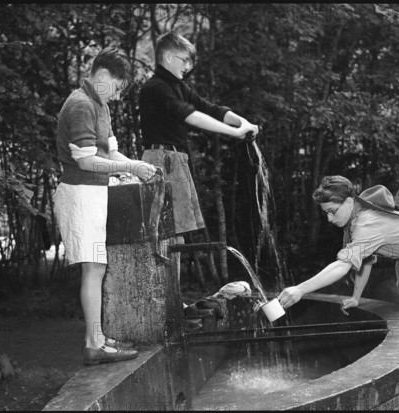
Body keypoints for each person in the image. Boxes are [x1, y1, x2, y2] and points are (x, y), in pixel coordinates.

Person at [277, 176, 399, 401]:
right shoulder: (355, 221)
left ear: (350, 202)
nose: (330, 219)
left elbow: (343, 265)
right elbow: (365, 262)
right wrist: (356, 297)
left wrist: (301, 289)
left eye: (332, 211)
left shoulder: (366, 221)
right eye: (326, 213)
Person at [139, 31, 260, 325]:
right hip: (162, 161)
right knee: (169, 236)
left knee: (176, 235)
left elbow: (210, 108)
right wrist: (234, 133)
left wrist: (242, 122)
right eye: (184, 60)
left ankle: (171, 303)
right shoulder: (156, 87)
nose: (187, 66)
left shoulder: (176, 85)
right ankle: (167, 307)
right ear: (168, 57)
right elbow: (190, 115)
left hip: (174, 159)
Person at [53, 46, 157, 365]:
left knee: (97, 267)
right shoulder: (81, 105)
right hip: (79, 194)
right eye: (116, 87)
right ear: (101, 77)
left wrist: (137, 166)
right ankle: (94, 345)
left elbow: (110, 155)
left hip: (94, 194)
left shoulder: (99, 104)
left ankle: (96, 339)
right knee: (94, 267)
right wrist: (132, 169)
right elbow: (85, 162)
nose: (117, 95)